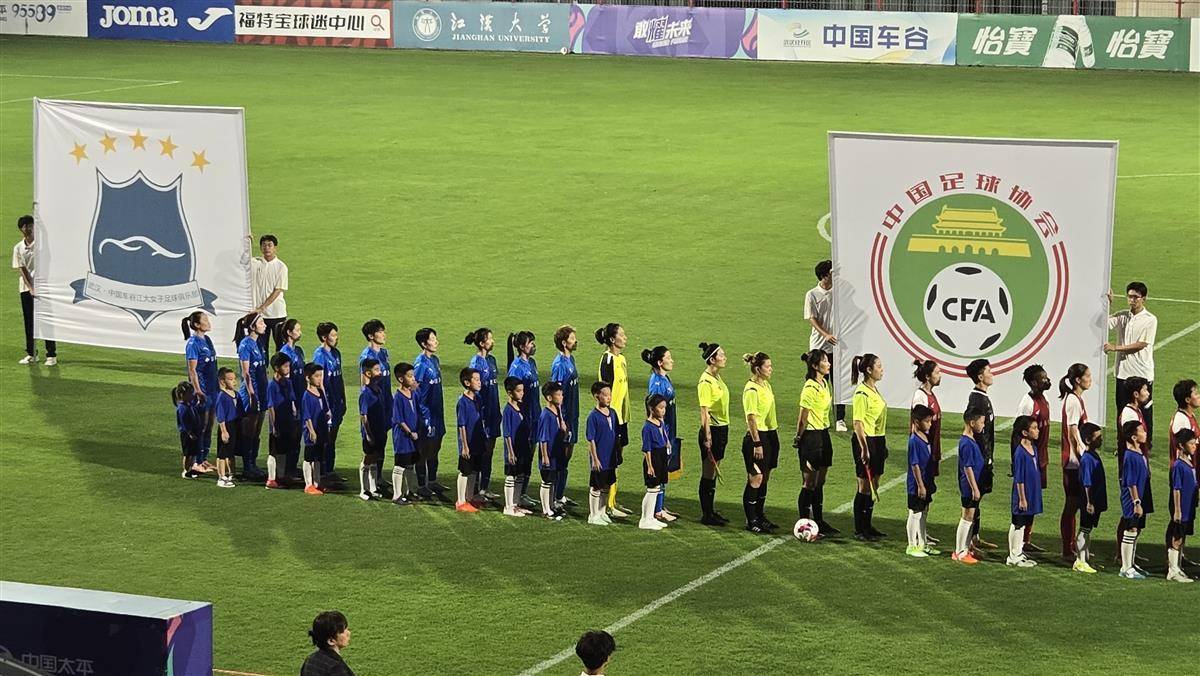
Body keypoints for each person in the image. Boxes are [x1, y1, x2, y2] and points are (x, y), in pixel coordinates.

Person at [1105, 282, 1157, 438]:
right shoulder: (1122, 316)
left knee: (1144, 412)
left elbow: (1141, 345)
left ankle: (1146, 443)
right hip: (1123, 373)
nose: (1132, 300)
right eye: (1129, 296)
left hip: (1142, 374)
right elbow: (1103, 324)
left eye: (1136, 297)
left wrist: (1116, 348)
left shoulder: (1150, 319)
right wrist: (1107, 305)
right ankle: (1122, 443)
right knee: (1122, 411)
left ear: (1144, 298)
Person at [795, 349, 836, 534]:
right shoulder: (809, 388)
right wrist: (798, 436)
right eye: (825, 361)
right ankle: (804, 523)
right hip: (811, 437)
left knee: (820, 481)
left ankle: (818, 521)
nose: (828, 364)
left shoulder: (824, 383)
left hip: (823, 434)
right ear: (814, 366)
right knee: (809, 482)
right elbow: (803, 417)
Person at [596, 323, 632, 518]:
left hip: (622, 418)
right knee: (609, 460)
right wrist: (608, 416)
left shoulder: (622, 358)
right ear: (612, 339)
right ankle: (606, 505)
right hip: (612, 418)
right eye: (622, 335)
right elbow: (605, 392)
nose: (625, 338)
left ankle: (612, 501)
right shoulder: (607, 360)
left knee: (616, 460)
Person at [1015, 364, 1052, 553]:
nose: (1047, 380)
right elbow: (1018, 432)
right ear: (1034, 382)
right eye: (1043, 378)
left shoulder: (1044, 399)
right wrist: (1018, 462)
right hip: (1030, 458)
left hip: (1040, 457)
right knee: (1025, 499)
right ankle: (1018, 542)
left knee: (1034, 499)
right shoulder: (1028, 403)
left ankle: (1026, 540)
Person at [851, 353, 887, 541]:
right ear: (868, 370)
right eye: (878, 366)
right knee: (864, 486)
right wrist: (864, 448)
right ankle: (860, 529)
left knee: (874, 484)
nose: (882, 370)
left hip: (878, 440)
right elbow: (858, 423)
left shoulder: (874, 390)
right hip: (865, 440)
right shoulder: (861, 393)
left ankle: (868, 525)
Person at [804, 259, 844, 431]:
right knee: (819, 382)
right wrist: (825, 334)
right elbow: (811, 318)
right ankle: (818, 415)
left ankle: (840, 419)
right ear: (824, 276)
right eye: (831, 273)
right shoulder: (812, 294)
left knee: (839, 383)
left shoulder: (839, 291)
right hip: (819, 345)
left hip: (837, 346)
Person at [742, 351, 779, 534]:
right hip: (757, 437)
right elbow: (751, 418)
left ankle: (760, 515)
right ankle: (751, 520)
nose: (771, 369)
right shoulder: (751, 390)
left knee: (764, 477)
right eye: (767, 366)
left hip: (770, 435)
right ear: (758, 369)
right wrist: (757, 443)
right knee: (755, 478)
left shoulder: (766, 385)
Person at [1058, 362, 1091, 562]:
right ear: (1078, 380)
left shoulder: (1076, 399)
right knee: (1072, 505)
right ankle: (1067, 549)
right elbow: (1072, 433)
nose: (1090, 379)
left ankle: (1072, 546)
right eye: (1087, 376)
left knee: (1076, 504)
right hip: (1073, 462)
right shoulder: (1072, 401)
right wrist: (1081, 457)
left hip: (1075, 460)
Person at [13, 214, 56, 365]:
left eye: (31, 225)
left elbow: (47, 240)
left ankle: (51, 355)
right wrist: (31, 288)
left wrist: (41, 223)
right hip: (26, 288)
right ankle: (32, 353)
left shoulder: (40, 244)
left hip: (43, 288)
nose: (28, 228)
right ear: (21, 229)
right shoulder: (18, 248)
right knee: (29, 322)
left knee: (45, 320)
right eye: (25, 226)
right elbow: (22, 269)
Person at [644, 345, 680, 523]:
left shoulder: (664, 378)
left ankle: (660, 506)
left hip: (668, 430)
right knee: (660, 470)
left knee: (664, 470)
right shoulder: (657, 383)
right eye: (668, 357)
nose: (672, 360)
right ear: (660, 362)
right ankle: (657, 511)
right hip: (662, 434)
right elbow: (655, 412)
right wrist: (664, 437)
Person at [696, 342, 730, 526]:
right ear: (712, 360)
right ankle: (706, 514)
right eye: (721, 355)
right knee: (708, 473)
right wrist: (707, 437)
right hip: (713, 431)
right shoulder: (706, 382)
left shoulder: (717, 377)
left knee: (714, 472)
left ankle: (711, 511)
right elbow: (704, 412)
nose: (725, 358)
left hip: (722, 429)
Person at [466, 328, 501, 503]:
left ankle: (484, 488)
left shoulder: (492, 360)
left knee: (490, 451)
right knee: (481, 451)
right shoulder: (476, 363)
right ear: (482, 343)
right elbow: (474, 392)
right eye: (490, 338)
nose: (492, 341)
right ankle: (473, 490)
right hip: (482, 414)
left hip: (493, 413)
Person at [965, 358, 996, 551]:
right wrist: (984, 458)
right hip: (980, 459)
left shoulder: (983, 397)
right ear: (980, 376)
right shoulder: (977, 400)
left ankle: (974, 538)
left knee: (978, 499)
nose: (992, 374)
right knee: (972, 500)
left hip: (985, 457)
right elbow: (977, 432)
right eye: (988, 371)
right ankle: (967, 543)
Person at [359, 320, 394, 494]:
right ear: (371, 336)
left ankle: (377, 478)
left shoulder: (384, 353)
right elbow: (364, 385)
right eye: (380, 332)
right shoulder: (366, 357)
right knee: (372, 448)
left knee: (381, 444)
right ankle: (368, 485)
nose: (384, 334)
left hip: (386, 404)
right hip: (374, 407)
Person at [507, 331, 541, 511]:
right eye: (530, 343)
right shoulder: (516, 368)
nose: (533, 345)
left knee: (529, 457)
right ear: (521, 347)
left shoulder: (532, 363)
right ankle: (514, 498)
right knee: (521, 458)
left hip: (535, 416)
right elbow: (514, 396)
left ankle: (522, 493)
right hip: (524, 419)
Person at [182, 311, 218, 474]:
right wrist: (197, 390)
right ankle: (196, 461)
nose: (208, 322)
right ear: (197, 325)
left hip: (212, 389)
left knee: (209, 425)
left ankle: (203, 459)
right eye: (205, 320)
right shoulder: (193, 344)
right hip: (202, 391)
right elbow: (193, 370)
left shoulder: (207, 340)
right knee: (201, 427)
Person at [234, 313, 268, 480]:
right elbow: (246, 373)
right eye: (261, 323)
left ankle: (253, 464)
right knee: (249, 430)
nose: (265, 325)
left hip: (262, 391)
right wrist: (251, 394)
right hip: (251, 392)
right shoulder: (245, 345)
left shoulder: (259, 343)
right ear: (253, 327)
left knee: (257, 430)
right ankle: (247, 467)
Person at [311, 323, 346, 485]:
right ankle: (321, 474)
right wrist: (325, 406)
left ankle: (330, 471)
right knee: (324, 439)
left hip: (337, 402)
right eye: (333, 335)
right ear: (324, 337)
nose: (336, 338)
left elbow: (340, 378)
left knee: (332, 438)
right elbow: (320, 383)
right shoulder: (320, 355)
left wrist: (343, 399)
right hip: (327, 404)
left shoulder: (336, 353)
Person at [551, 326, 581, 510]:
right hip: (565, 419)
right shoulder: (559, 365)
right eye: (572, 338)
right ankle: (553, 498)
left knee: (566, 458)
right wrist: (560, 419)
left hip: (572, 416)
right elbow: (556, 394)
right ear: (564, 342)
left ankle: (560, 495)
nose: (575, 341)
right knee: (560, 458)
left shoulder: (571, 359)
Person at [413, 328, 445, 500]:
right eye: (432, 339)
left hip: (438, 413)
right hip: (426, 415)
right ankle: (421, 485)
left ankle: (432, 481)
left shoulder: (435, 360)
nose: (436, 341)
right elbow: (415, 391)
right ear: (424, 343)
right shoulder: (420, 364)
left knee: (436, 447)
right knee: (424, 449)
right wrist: (423, 416)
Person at [1007, 415, 1042, 568]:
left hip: (1031, 493)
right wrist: (1022, 498)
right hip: (1023, 495)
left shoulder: (1034, 448)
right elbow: (1019, 478)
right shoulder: (1020, 453)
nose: (1037, 430)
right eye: (1034, 428)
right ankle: (1013, 556)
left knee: (1024, 524)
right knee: (1018, 524)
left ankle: (1018, 552)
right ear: (1025, 432)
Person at [953, 408, 987, 564]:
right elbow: (968, 467)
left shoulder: (970, 439)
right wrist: (974, 488)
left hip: (972, 485)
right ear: (972, 423)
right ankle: (960, 551)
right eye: (981, 422)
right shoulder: (966, 443)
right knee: (966, 518)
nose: (983, 425)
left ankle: (965, 549)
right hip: (969, 486)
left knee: (970, 518)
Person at [1118, 419, 1150, 579]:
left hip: (1139, 496)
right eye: (1141, 431)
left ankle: (1131, 564)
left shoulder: (1138, 452)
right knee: (1130, 529)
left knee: (1135, 530)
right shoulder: (1130, 456)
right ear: (1134, 437)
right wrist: (1136, 502)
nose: (1145, 433)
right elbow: (1130, 482)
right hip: (1132, 499)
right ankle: (1125, 568)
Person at [906, 405, 938, 557]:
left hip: (926, 481)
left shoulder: (925, 437)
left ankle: (923, 544)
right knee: (915, 513)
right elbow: (915, 464)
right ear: (917, 422)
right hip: (917, 484)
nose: (930, 424)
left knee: (924, 512)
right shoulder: (914, 441)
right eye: (927, 421)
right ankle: (911, 545)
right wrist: (920, 485)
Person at [275, 318, 306, 477]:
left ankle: (292, 466)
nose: (300, 332)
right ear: (289, 332)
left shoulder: (298, 351)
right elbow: (284, 381)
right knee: (290, 433)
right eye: (297, 330)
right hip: (290, 400)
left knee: (298, 434)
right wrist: (291, 401)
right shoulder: (284, 353)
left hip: (301, 397)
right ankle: (285, 470)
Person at [638, 393, 673, 531]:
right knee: (652, 490)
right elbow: (647, 448)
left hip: (662, 456)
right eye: (660, 408)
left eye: (664, 408)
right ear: (652, 409)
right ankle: (645, 519)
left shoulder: (660, 422)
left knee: (657, 488)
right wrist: (650, 466)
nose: (663, 410)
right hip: (653, 458)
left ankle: (651, 518)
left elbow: (664, 434)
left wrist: (667, 443)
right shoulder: (647, 427)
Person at [1166, 429, 1197, 583]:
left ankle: (1177, 568)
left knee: (1182, 536)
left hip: (1189, 507)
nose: (1194, 446)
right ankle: (1172, 570)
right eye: (1191, 443)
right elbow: (1176, 488)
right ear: (1181, 445)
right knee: (1177, 537)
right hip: (1182, 507)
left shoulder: (1189, 463)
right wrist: (1177, 510)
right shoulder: (1178, 465)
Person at [1075, 422, 1106, 574]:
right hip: (1089, 500)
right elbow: (1087, 482)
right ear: (1088, 440)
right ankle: (1080, 561)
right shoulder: (1087, 459)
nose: (1101, 440)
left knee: (1088, 529)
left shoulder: (1093, 455)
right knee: (1084, 529)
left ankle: (1085, 559)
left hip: (1094, 499)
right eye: (1097, 438)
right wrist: (1089, 502)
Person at [454, 367, 486, 512]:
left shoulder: (478, 399)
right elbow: (462, 425)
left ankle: (470, 497)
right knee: (465, 471)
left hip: (477, 440)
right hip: (468, 442)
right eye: (476, 380)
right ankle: (461, 501)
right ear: (467, 383)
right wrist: (464, 446)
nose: (480, 382)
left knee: (474, 470)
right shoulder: (462, 402)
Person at [249, 234, 288, 354]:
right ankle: (262, 366)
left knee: (280, 347)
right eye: (264, 245)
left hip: (277, 313)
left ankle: (280, 367)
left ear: (275, 248)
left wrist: (262, 307)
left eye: (269, 245)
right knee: (260, 347)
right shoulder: (255, 263)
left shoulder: (281, 267)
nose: (266, 248)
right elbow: (243, 259)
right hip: (260, 315)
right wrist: (248, 243)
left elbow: (278, 290)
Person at [586, 381, 617, 526]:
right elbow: (591, 439)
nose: (608, 398)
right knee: (596, 486)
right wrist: (595, 459)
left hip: (610, 457)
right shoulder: (593, 417)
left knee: (607, 485)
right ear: (596, 396)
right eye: (605, 395)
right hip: (600, 457)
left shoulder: (613, 413)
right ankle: (593, 515)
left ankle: (602, 512)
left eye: (610, 395)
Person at [265, 353, 298, 489]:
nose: (288, 369)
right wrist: (274, 425)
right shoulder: (272, 385)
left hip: (287, 420)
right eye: (285, 366)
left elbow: (292, 401)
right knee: (274, 451)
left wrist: (294, 416)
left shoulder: (288, 383)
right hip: (278, 421)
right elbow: (271, 406)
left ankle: (281, 476)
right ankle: (271, 478)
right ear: (277, 368)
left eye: (289, 366)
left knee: (283, 450)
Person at [390, 363, 422, 505]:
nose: (413, 378)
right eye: (410, 376)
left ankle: (410, 491)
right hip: (403, 437)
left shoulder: (413, 394)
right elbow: (399, 419)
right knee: (400, 465)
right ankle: (396, 495)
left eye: (413, 375)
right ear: (401, 379)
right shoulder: (398, 397)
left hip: (414, 436)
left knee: (410, 464)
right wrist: (410, 432)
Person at [501, 375, 532, 517]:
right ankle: (508, 507)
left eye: (522, 390)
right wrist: (510, 452)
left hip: (523, 447)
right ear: (510, 393)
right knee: (511, 476)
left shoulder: (521, 407)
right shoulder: (508, 410)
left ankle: (515, 504)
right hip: (513, 448)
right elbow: (507, 433)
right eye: (518, 391)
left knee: (520, 475)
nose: (522, 393)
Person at [537, 381, 568, 520]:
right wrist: (544, 456)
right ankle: (545, 509)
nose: (561, 397)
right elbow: (543, 438)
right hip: (548, 454)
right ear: (549, 397)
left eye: (561, 394)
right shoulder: (546, 415)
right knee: (546, 481)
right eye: (558, 395)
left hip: (556, 453)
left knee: (553, 481)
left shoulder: (557, 412)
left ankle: (551, 506)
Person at [357, 359, 387, 501]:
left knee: (375, 458)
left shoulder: (378, 390)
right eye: (376, 370)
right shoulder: (366, 393)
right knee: (368, 459)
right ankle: (364, 490)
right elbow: (364, 416)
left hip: (380, 430)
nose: (380, 372)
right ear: (368, 373)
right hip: (371, 433)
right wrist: (369, 434)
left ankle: (373, 488)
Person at [301, 363, 329, 496]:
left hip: (321, 429)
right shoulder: (307, 396)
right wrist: (311, 431)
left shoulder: (320, 392)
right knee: (309, 457)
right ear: (308, 378)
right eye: (317, 376)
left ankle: (317, 483)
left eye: (321, 376)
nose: (320, 379)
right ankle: (308, 484)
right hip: (312, 431)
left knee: (318, 457)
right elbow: (306, 416)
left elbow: (325, 408)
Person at [300, 610, 354, 676]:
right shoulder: (336, 668)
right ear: (331, 641)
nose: (348, 633)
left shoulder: (310, 660)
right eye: (342, 632)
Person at [214, 367, 242, 488]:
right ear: (222, 381)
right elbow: (220, 416)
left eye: (234, 379)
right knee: (222, 453)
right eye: (230, 379)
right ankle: (221, 477)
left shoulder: (236, 394)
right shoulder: (222, 396)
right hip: (226, 426)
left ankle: (231, 473)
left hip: (235, 425)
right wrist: (224, 431)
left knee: (231, 451)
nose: (234, 381)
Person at [173, 381, 203, 480]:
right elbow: (184, 422)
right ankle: (186, 471)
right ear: (183, 395)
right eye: (190, 393)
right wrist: (190, 433)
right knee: (188, 453)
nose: (192, 395)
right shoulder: (182, 408)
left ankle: (190, 469)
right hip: (187, 434)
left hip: (194, 431)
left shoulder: (189, 405)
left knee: (193, 452)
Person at [1168, 379, 1199, 463]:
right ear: (1188, 400)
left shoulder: (1190, 415)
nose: (1198, 396)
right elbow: (1184, 450)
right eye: (1196, 394)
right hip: (1185, 467)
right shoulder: (1181, 421)